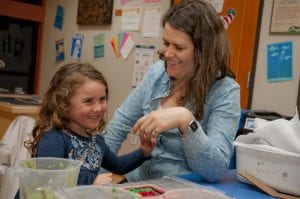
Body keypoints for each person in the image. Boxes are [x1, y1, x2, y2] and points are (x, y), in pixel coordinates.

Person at [103, 0, 241, 182]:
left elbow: (216, 170)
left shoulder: (225, 91)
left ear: (203, 52)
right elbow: (118, 126)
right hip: (139, 182)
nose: (167, 53)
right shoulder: (157, 72)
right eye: (166, 43)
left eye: (178, 47)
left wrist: (186, 120)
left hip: (183, 188)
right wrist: (94, 174)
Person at [25, 63, 156, 186]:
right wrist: (91, 184)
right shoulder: (54, 139)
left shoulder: (96, 141)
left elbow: (119, 166)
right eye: (88, 101)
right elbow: (50, 182)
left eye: (102, 99)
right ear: (63, 104)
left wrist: (143, 152)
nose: (98, 108)